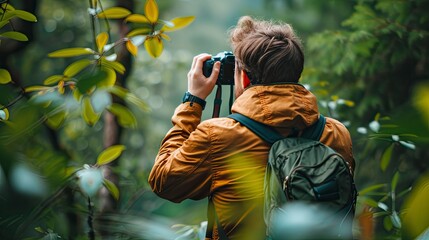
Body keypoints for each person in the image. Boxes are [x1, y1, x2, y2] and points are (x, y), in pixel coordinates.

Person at [148, 16, 355, 240]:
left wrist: (193, 101)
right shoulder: (337, 133)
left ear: (244, 77)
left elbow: (163, 181)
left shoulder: (218, 136)